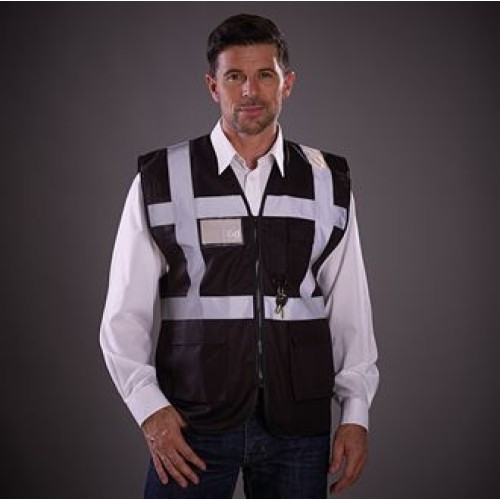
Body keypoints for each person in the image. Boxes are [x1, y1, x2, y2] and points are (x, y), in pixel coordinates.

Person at [100, 13, 379, 499]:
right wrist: (149, 409)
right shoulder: (162, 178)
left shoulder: (326, 181)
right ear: (213, 86)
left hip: (298, 427)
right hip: (192, 423)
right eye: (235, 76)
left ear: (287, 83)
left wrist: (356, 413)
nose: (250, 91)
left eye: (265, 74)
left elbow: (350, 308)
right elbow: (123, 315)